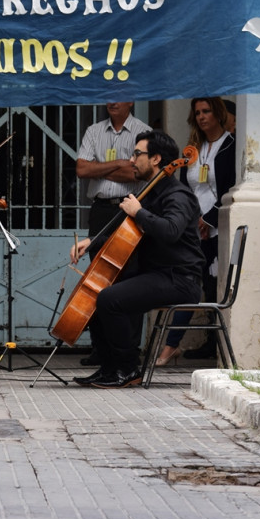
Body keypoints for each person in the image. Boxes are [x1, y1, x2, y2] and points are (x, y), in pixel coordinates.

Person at [69, 130, 206, 388]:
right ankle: (109, 368)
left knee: (109, 299)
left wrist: (140, 212)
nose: (131, 160)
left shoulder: (178, 195)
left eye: (137, 154)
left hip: (179, 279)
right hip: (157, 274)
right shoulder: (151, 192)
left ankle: (128, 369)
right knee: (99, 292)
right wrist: (92, 242)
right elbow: (123, 231)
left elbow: (171, 230)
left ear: (155, 159)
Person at [157, 97, 237, 365]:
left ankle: (213, 348)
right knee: (187, 285)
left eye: (207, 112)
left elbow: (229, 187)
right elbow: (183, 189)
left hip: (215, 230)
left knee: (213, 287)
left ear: (218, 114)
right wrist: (191, 219)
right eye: (198, 113)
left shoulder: (230, 146)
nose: (202, 117)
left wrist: (209, 219)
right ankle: (171, 347)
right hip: (191, 229)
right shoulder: (191, 149)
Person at [75, 102, 152, 365]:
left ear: (131, 100)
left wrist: (102, 167)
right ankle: (101, 348)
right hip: (100, 210)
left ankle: (129, 348)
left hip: (130, 207)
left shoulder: (143, 132)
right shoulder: (94, 131)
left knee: (131, 277)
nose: (113, 101)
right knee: (98, 279)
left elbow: (139, 173)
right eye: (108, 95)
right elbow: (82, 170)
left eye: (119, 95)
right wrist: (119, 164)